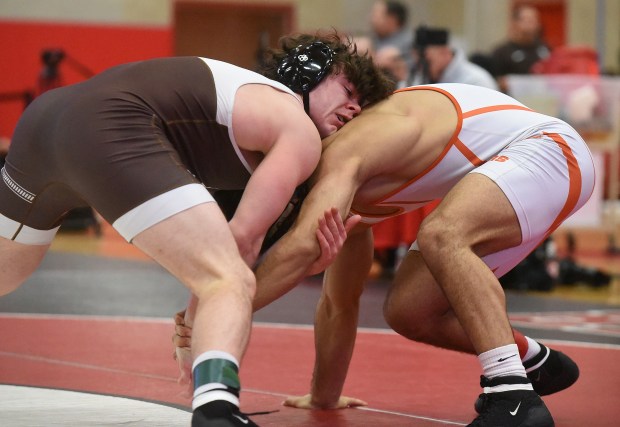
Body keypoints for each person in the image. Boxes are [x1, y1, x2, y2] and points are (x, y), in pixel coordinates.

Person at [0, 31, 394, 427]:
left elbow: (218, 242)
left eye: (361, 105)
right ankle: (216, 409)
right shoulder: (297, 130)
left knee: (6, 273)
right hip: (109, 125)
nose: (354, 109)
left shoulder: (243, 111)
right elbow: (241, 243)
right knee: (229, 280)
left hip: (42, 123)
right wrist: (193, 334)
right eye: (348, 90)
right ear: (307, 72)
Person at [234, 83, 590, 426]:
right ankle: (533, 362)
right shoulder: (343, 193)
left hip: (550, 149)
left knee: (442, 234)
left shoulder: (347, 148)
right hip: (528, 173)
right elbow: (338, 303)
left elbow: (300, 246)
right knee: (408, 310)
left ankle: (513, 397)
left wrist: (223, 306)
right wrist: (323, 397)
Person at [409, 27, 498, 90]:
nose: (421, 68)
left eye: (427, 62)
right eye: (418, 63)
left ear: (444, 52)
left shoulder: (476, 82)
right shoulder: (419, 80)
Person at [490, 4, 551, 92]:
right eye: (528, 20)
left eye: (535, 19)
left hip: (541, 100)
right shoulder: (501, 52)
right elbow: (494, 82)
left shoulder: (546, 49)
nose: (532, 24)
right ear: (515, 23)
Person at [369, 0, 414, 69]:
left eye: (375, 15)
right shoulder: (374, 39)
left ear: (392, 19)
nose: (372, 20)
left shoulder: (411, 44)